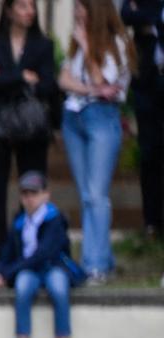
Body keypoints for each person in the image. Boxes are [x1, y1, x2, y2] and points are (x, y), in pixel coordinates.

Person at [0, 0, 57, 268]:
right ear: (8, 11)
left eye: (32, 6)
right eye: (22, 6)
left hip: (31, 128)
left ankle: (30, 252)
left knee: (33, 189)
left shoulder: (44, 45)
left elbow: (48, 86)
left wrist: (5, 77)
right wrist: (22, 76)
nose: (29, 11)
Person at [0, 171, 84, 338]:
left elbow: (42, 254)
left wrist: (6, 274)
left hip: (53, 267)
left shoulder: (55, 219)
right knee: (23, 287)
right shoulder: (19, 223)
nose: (29, 198)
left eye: (34, 193)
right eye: (25, 194)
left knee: (59, 288)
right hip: (29, 270)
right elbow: (6, 257)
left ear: (45, 194)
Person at [58, 0, 136, 284]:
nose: (77, 13)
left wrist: (88, 49)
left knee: (96, 194)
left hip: (101, 119)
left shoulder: (116, 43)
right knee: (86, 194)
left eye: (82, 8)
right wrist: (92, 88)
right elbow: (65, 80)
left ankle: (95, 265)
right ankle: (103, 258)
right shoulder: (76, 43)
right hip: (74, 117)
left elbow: (105, 80)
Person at [121, 0, 164, 241]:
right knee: (149, 152)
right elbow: (125, 13)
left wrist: (147, 16)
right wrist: (157, 15)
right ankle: (152, 223)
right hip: (148, 81)